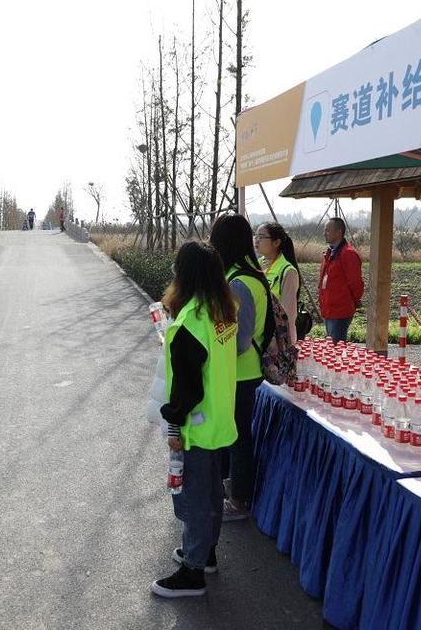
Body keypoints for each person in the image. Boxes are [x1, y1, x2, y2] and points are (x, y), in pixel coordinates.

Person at [152, 240, 238, 598]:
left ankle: (192, 572)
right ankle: (205, 553)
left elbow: (186, 389)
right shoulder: (222, 311)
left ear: (183, 275)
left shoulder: (189, 323)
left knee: (195, 499)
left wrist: (173, 424)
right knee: (213, 494)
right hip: (220, 421)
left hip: (197, 425)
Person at [209, 214, 268, 522]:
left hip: (240, 374)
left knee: (238, 439)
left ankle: (239, 501)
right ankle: (233, 492)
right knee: (237, 437)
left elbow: (240, 341)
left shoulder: (239, 283)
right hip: (242, 373)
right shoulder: (246, 275)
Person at [319, 217, 364, 344]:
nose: (324, 233)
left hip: (340, 311)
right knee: (331, 348)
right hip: (329, 309)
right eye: (324, 230)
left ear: (339, 232)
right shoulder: (330, 253)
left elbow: (356, 284)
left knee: (336, 350)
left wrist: (351, 300)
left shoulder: (348, 254)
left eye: (328, 230)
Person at [255, 221, 301, 344]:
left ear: (276, 242)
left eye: (261, 237)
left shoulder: (288, 271)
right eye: (256, 236)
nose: (256, 240)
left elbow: (288, 315)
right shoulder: (257, 265)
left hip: (278, 340)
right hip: (259, 335)